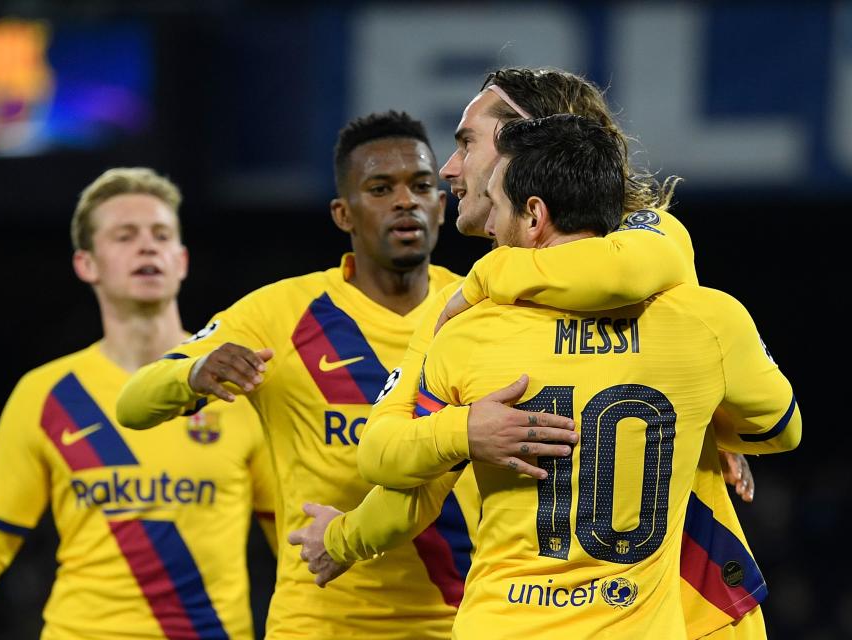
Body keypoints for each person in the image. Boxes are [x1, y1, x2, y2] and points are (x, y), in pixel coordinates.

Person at [290, 68, 768, 639]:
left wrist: (486, 275)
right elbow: (413, 478)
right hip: (688, 610)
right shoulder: (655, 279)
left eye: (467, 142)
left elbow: (623, 267)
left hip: (688, 605)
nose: (448, 168)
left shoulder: (479, 304)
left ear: (526, 143)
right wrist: (465, 431)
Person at [387, 113, 799, 638]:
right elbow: (782, 431)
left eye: (498, 207)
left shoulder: (468, 331)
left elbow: (389, 462)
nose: (490, 226)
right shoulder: (705, 320)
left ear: (534, 215)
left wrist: (457, 431)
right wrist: (702, 423)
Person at [117, 112, 480, 639]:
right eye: (380, 188)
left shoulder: (476, 307)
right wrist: (194, 372)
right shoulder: (281, 313)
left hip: (462, 621)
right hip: (320, 621)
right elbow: (132, 403)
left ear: (442, 205)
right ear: (343, 214)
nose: (406, 201)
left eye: (422, 186)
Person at [0, 168, 276, 640]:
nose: (147, 246)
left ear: (181, 260)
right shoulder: (48, 394)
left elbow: (290, 537)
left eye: (161, 235)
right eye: (124, 235)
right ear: (86, 264)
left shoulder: (238, 383)